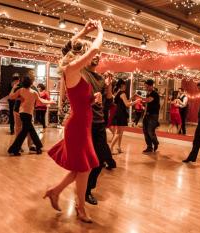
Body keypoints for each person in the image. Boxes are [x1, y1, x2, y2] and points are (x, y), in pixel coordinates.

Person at [45, 19, 103, 223]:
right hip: (77, 126)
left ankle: (56, 192)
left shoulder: (79, 73)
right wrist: (100, 29)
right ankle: (80, 208)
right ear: (80, 55)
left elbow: (81, 99)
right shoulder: (71, 69)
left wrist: (92, 98)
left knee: (81, 167)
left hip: (83, 125)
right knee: (85, 168)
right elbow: (95, 48)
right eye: (86, 54)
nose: (93, 58)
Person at [83, 54, 117, 206]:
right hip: (85, 123)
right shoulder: (81, 73)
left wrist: (109, 84)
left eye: (98, 55)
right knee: (85, 160)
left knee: (100, 159)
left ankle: (86, 188)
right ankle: (84, 191)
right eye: (93, 54)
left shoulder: (101, 79)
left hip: (99, 123)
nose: (96, 57)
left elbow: (109, 101)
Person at [7, 76, 54, 155]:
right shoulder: (33, 92)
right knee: (28, 131)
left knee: (26, 131)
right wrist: (50, 101)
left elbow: (11, 96)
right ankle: (35, 147)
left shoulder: (20, 90)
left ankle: (16, 149)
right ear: (31, 83)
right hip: (28, 114)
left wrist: (13, 88)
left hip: (22, 113)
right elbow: (41, 101)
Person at [110, 79, 136, 154]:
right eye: (125, 85)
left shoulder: (119, 92)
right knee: (118, 133)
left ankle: (118, 147)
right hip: (121, 114)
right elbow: (127, 104)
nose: (126, 86)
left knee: (120, 132)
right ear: (122, 85)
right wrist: (136, 102)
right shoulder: (122, 93)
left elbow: (125, 101)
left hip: (119, 113)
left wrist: (132, 98)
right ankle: (111, 148)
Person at [142, 79, 160, 153]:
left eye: (146, 86)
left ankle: (155, 142)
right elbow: (147, 105)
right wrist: (144, 114)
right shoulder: (148, 93)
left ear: (151, 86)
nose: (145, 88)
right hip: (147, 115)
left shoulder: (154, 94)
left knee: (150, 131)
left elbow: (148, 100)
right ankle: (149, 147)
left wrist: (138, 97)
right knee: (145, 131)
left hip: (153, 115)